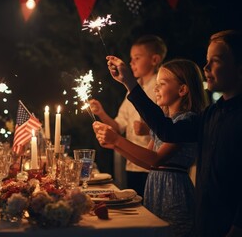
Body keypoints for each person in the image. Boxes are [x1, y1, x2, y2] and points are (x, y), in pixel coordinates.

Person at [104, 29, 242, 237]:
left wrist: (130, 84)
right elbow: (165, 132)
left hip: (219, 220)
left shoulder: (196, 117)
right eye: (206, 60)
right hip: (205, 219)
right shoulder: (211, 114)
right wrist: (115, 143)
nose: (206, 67)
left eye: (216, 60)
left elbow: (163, 142)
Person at [94, 59, 208, 237]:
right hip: (155, 187)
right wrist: (115, 145)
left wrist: (117, 139)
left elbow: (156, 159)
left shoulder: (187, 121)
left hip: (174, 192)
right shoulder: (165, 122)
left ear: (182, 90)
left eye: (162, 84)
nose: (156, 89)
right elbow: (148, 162)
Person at [89, 35, 167, 197]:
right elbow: (118, 126)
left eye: (137, 58)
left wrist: (149, 129)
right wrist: (101, 113)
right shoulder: (132, 90)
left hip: (152, 162)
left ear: (154, 59)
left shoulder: (161, 89)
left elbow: (167, 125)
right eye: (131, 58)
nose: (132, 63)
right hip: (133, 162)